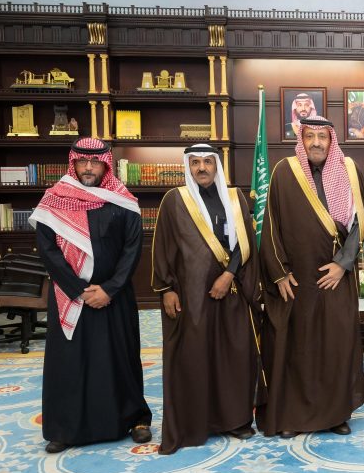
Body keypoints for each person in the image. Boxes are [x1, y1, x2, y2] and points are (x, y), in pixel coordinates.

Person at [29, 138, 152, 453]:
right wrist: (79, 290)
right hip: (70, 295)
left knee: (121, 359)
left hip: (115, 296)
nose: (88, 168)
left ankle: (135, 419)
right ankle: (65, 428)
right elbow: (48, 250)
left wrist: (109, 289)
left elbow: (132, 249)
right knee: (70, 363)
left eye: (95, 162)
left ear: (106, 165)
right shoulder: (54, 200)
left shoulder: (122, 201)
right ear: (73, 163)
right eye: (82, 162)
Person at [258, 116, 364, 438]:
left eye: (322, 136)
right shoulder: (284, 171)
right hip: (297, 279)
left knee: (336, 344)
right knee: (299, 346)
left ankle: (335, 414)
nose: (317, 142)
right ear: (302, 140)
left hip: (336, 277)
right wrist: (279, 273)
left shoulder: (349, 170)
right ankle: (294, 416)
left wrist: (343, 264)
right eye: (310, 136)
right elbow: (270, 225)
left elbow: (360, 222)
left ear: (331, 140)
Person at [151, 143, 261, 454]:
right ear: (188, 166)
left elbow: (245, 243)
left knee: (234, 356)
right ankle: (195, 422)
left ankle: (236, 420)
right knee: (194, 357)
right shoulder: (174, 200)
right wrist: (166, 289)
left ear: (217, 166)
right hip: (191, 295)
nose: (202, 168)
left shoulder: (235, 198)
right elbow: (163, 248)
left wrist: (228, 275)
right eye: (196, 162)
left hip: (231, 291)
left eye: (208, 162)